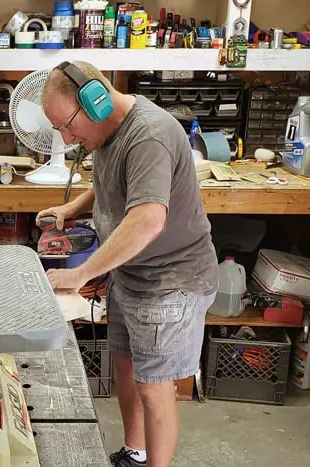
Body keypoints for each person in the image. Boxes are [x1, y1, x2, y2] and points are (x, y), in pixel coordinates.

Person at [36, 61, 218, 467]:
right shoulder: (109, 133)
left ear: (96, 101)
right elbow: (110, 184)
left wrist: (82, 273)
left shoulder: (148, 136)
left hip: (171, 279)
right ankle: (135, 454)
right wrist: (73, 207)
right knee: (126, 363)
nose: (66, 139)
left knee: (154, 387)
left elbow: (147, 218)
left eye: (67, 125)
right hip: (132, 272)